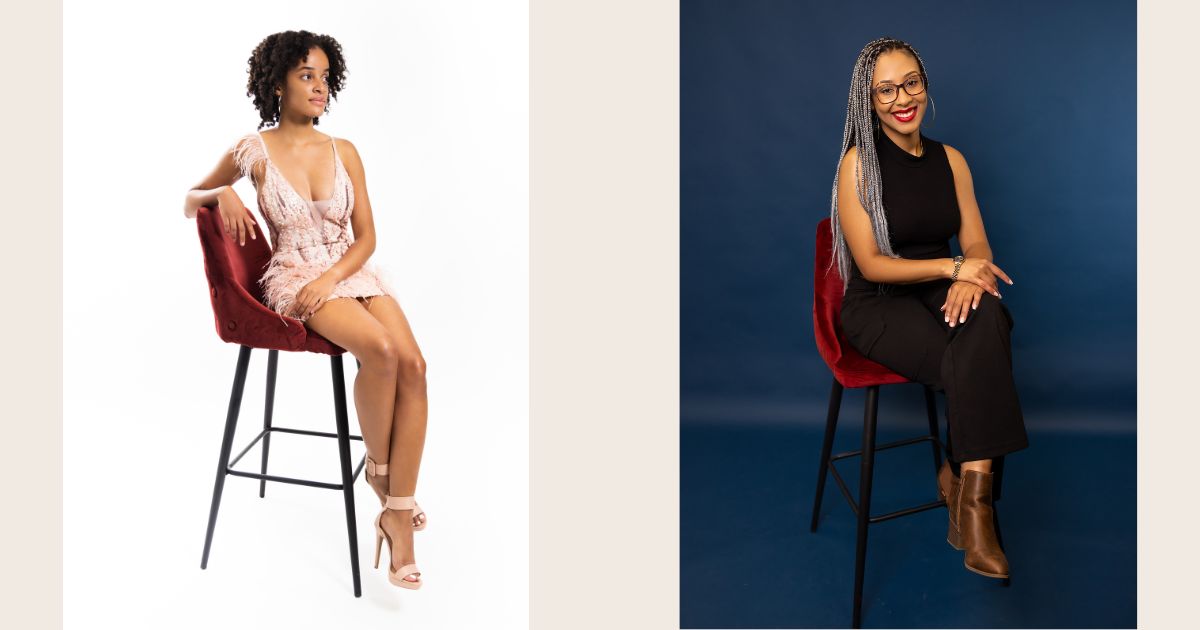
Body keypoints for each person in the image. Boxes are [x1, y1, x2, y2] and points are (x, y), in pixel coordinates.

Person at [182, 30, 428, 590]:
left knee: (414, 366)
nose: (319, 87)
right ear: (278, 84)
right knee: (381, 352)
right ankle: (385, 487)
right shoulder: (252, 150)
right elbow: (189, 200)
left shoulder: (345, 150)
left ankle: (395, 506)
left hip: (346, 270)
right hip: (294, 277)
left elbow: (367, 238)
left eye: (324, 77)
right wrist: (222, 192)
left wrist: (333, 278)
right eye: (306, 76)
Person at [828, 36, 1029, 579]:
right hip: (879, 303)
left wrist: (972, 271)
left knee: (988, 315)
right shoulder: (858, 165)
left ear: (925, 85)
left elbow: (977, 241)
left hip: (942, 288)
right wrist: (953, 268)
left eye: (910, 83)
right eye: (886, 90)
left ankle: (969, 497)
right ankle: (970, 500)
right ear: (868, 101)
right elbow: (872, 265)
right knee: (980, 359)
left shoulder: (951, 160)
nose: (902, 98)